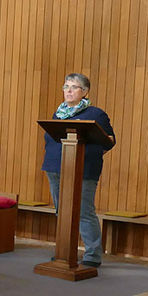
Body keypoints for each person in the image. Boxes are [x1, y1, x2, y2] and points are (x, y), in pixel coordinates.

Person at [41, 73, 115, 269]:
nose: (69, 91)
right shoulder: (58, 114)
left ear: (85, 92)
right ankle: (65, 253)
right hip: (56, 167)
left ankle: (92, 254)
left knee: (84, 211)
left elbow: (109, 141)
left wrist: (89, 155)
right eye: (66, 87)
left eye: (74, 87)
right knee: (62, 211)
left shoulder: (96, 114)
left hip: (83, 169)